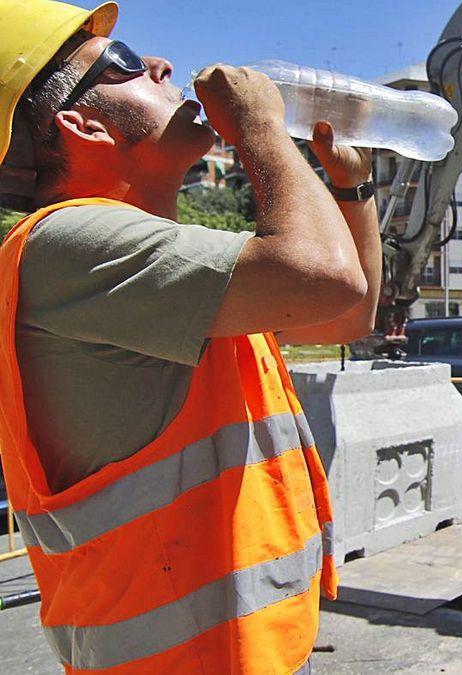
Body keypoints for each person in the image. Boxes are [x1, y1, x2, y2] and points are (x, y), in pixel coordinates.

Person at [0, 1, 383, 671]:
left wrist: (354, 189)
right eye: (122, 64)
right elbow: (328, 281)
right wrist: (261, 126)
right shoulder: (64, 247)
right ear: (77, 124)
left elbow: (346, 316)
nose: (162, 64)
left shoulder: (168, 274)